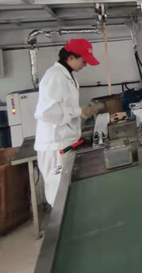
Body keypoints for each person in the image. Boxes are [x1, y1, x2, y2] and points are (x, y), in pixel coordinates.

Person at [34, 39, 101, 205]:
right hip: (55, 147)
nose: (85, 65)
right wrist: (78, 112)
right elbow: (44, 112)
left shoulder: (67, 76)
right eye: (83, 61)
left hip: (64, 144)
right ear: (70, 58)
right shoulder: (54, 76)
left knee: (66, 194)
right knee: (58, 196)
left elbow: (63, 106)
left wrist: (81, 113)